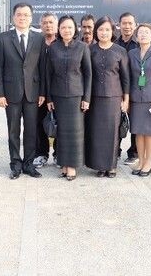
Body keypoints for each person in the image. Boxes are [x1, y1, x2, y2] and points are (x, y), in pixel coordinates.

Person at [0, 3, 45, 179]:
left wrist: (43, 93)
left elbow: (42, 67)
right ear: (13, 17)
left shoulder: (39, 39)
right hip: (11, 93)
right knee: (13, 131)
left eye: (26, 15)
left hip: (33, 93)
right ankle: (15, 164)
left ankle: (29, 164)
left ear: (31, 18)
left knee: (31, 131)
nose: (22, 18)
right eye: (19, 15)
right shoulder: (3, 38)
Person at [46, 15, 92, 181]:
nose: (66, 30)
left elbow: (88, 74)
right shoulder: (53, 48)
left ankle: (72, 166)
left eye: (70, 27)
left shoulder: (82, 47)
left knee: (74, 133)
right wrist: (49, 98)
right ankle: (64, 165)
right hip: (58, 96)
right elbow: (48, 74)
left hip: (76, 96)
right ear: (59, 29)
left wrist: (86, 97)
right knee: (62, 133)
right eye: (63, 27)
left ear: (75, 30)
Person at [86, 16, 129, 177]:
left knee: (112, 133)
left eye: (107, 29)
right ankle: (99, 166)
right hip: (94, 98)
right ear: (96, 31)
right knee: (96, 132)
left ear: (112, 31)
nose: (104, 33)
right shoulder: (90, 50)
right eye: (101, 29)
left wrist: (126, 99)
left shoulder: (120, 51)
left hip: (114, 98)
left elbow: (126, 78)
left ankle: (111, 166)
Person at [127, 24, 151, 177]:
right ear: (136, 37)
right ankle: (141, 160)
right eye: (140, 33)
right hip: (136, 98)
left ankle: (148, 162)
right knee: (138, 132)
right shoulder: (131, 54)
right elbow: (129, 78)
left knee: (150, 133)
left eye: (146, 32)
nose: (143, 35)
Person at [34, 12, 58, 168]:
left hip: (58, 91)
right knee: (39, 123)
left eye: (51, 22)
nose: (48, 25)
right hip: (38, 92)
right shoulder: (36, 43)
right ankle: (41, 154)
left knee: (59, 123)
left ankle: (58, 154)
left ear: (56, 25)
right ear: (40, 25)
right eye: (45, 23)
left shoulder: (63, 43)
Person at [114, 12, 139, 164]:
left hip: (137, 89)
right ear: (119, 25)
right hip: (117, 89)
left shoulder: (140, 43)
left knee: (136, 122)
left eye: (130, 23)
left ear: (135, 25)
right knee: (116, 121)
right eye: (124, 23)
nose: (127, 26)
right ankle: (115, 150)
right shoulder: (115, 44)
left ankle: (134, 152)